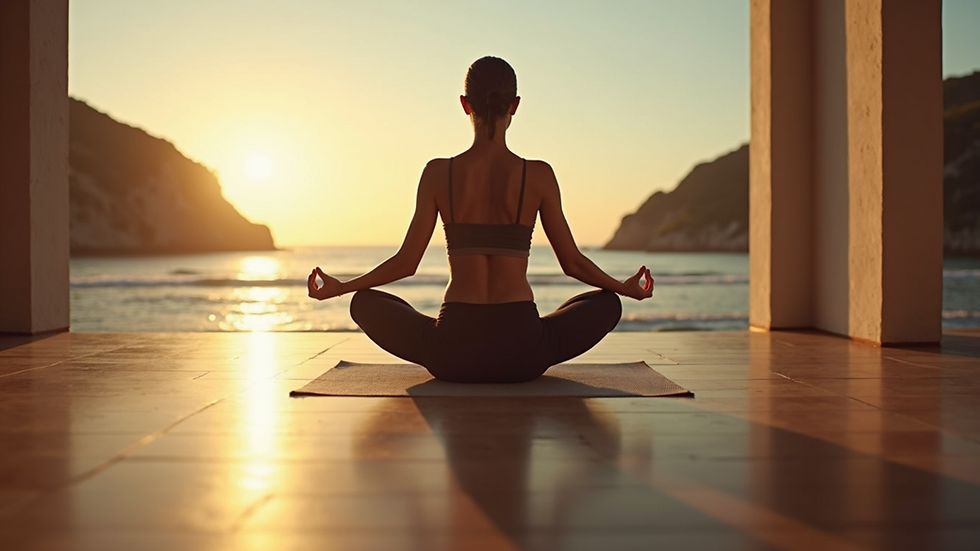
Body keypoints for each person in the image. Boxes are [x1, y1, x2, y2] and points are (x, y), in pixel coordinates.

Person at [308, 56, 653, 383]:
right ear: (515, 105)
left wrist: (343, 287)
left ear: (464, 103)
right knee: (606, 302)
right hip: (524, 353)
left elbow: (406, 263)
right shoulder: (538, 175)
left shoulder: (437, 173)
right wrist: (623, 287)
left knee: (365, 301)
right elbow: (572, 263)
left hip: (452, 354)